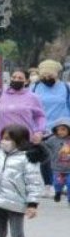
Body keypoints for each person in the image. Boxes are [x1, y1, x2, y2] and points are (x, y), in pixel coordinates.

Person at [31, 59, 70, 197]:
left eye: (50, 75)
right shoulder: (35, 87)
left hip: (62, 128)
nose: (47, 78)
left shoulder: (65, 87)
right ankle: (49, 185)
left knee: (64, 157)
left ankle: (64, 183)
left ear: (57, 74)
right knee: (47, 159)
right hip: (43, 129)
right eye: (44, 76)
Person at [0, 69, 46, 144]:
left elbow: (40, 116)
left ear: (26, 81)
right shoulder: (0, 94)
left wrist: (39, 132)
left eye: (20, 78)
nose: (16, 80)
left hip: (25, 140)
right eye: (14, 77)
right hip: (4, 140)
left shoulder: (33, 97)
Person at [44, 118, 70, 202]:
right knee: (58, 183)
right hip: (57, 168)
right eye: (58, 130)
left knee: (69, 184)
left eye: (63, 129)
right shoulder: (53, 139)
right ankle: (58, 192)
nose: (60, 132)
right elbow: (44, 146)